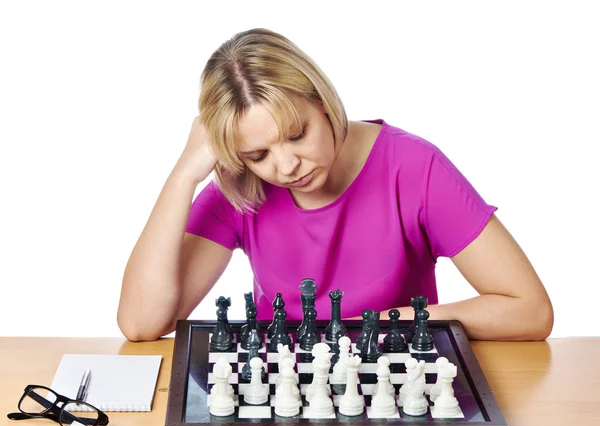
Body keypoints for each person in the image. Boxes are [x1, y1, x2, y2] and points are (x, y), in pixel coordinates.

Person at [117, 28, 553, 343]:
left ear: (323, 103)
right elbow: (141, 323)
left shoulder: (415, 169)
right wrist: (182, 177)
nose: (286, 166)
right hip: (283, 401)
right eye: (258, 154)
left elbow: (529, 310)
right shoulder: (243, 188)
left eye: (295, 134)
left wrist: (393, 320)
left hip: (394, 392)